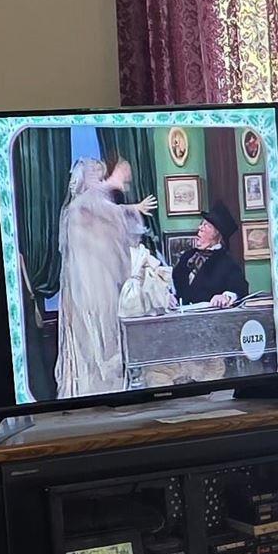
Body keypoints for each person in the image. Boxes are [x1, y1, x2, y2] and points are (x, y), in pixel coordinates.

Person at [50, 157, 155, 399]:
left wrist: (131, 207)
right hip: (87, 289)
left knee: (107, 337)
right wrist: (115, 184)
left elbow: (110, 213)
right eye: (95, 175)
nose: (99, 179)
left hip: (100, 285)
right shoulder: (79, 208)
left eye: (101, 174)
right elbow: (101, 208)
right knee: (92, 340)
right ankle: (93, 391)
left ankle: (110, 389)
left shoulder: (91, 207)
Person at [170, 214, 244, 308]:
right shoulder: (187, 256)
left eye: (206, 225)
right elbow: (174, 281)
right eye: (201, 224)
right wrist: (168, 296)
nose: (200, 227)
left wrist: (226, 297)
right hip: (181, 317)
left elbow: (240, 288)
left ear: (217, 234)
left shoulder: (227, 263)